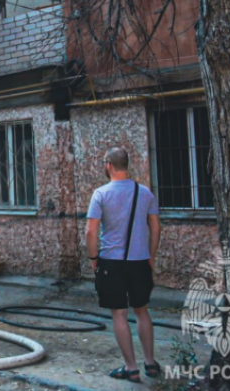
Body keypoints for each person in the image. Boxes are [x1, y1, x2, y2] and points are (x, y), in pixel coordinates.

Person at [86, 147, 162, 384]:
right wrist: (150, 256)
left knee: (119, 313)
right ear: (126, 165)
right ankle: (150, 363)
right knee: (142, 310)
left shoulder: (101, 194)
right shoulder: (145, 193)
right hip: (139, 261)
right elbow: (156, 228)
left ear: (108, 165)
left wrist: (93, 258)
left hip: (111, 263)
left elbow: (90, 231)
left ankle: (131, 367)